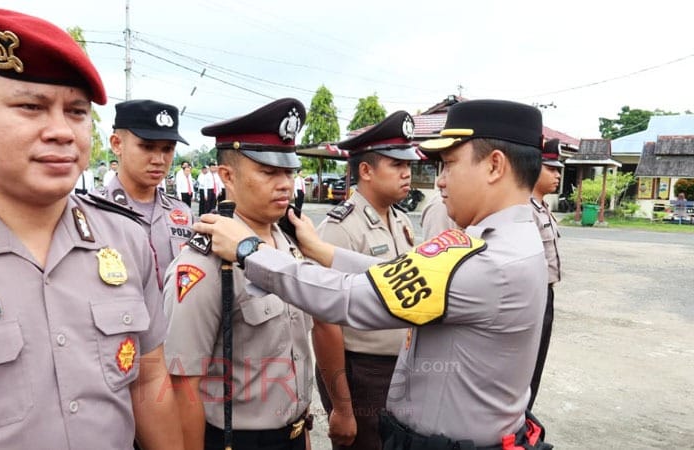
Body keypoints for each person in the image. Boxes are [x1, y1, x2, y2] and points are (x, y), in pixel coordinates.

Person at [0, 6, 182, 449]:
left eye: (77, 112)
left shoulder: (124, 240)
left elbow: (148, 380)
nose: (62, 132)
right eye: (31, 107)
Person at [194, 99, 554, 449]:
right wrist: (324, 252)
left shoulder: (490, 262)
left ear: (494, 166)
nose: (440, 182)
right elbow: (399, 278)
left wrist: (249, 251)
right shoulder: (502, 243)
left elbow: (351, 298)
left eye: (449, 164)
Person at [164, 98, 314, 450]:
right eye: (268, 172)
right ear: (227, 176)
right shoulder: (205, 263)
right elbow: (184, 384)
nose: (285, 184)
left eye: (289, 172)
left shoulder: (285, 245)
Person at [313, 111, 420, 450]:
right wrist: (342, 408)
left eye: (408, 164)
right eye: (396, 164)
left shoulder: (401, 219)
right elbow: (326, 323)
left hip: (401, 367)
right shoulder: (340, 227)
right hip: (362, 373)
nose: (407, 173)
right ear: (366, 171)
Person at [103, 100, 194, 283]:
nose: (159, 159)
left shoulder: (182, 213)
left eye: (167, 149)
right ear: (117, 144)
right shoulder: (93, 213)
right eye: (147, 147)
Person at [528, 138, 564, 410]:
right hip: (531, 294)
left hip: (545, 293)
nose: (558, 174)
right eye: (550, 168)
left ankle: (527, 416)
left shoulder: (542, 206)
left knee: (538, 361)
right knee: (526, 365)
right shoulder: (524, 209)